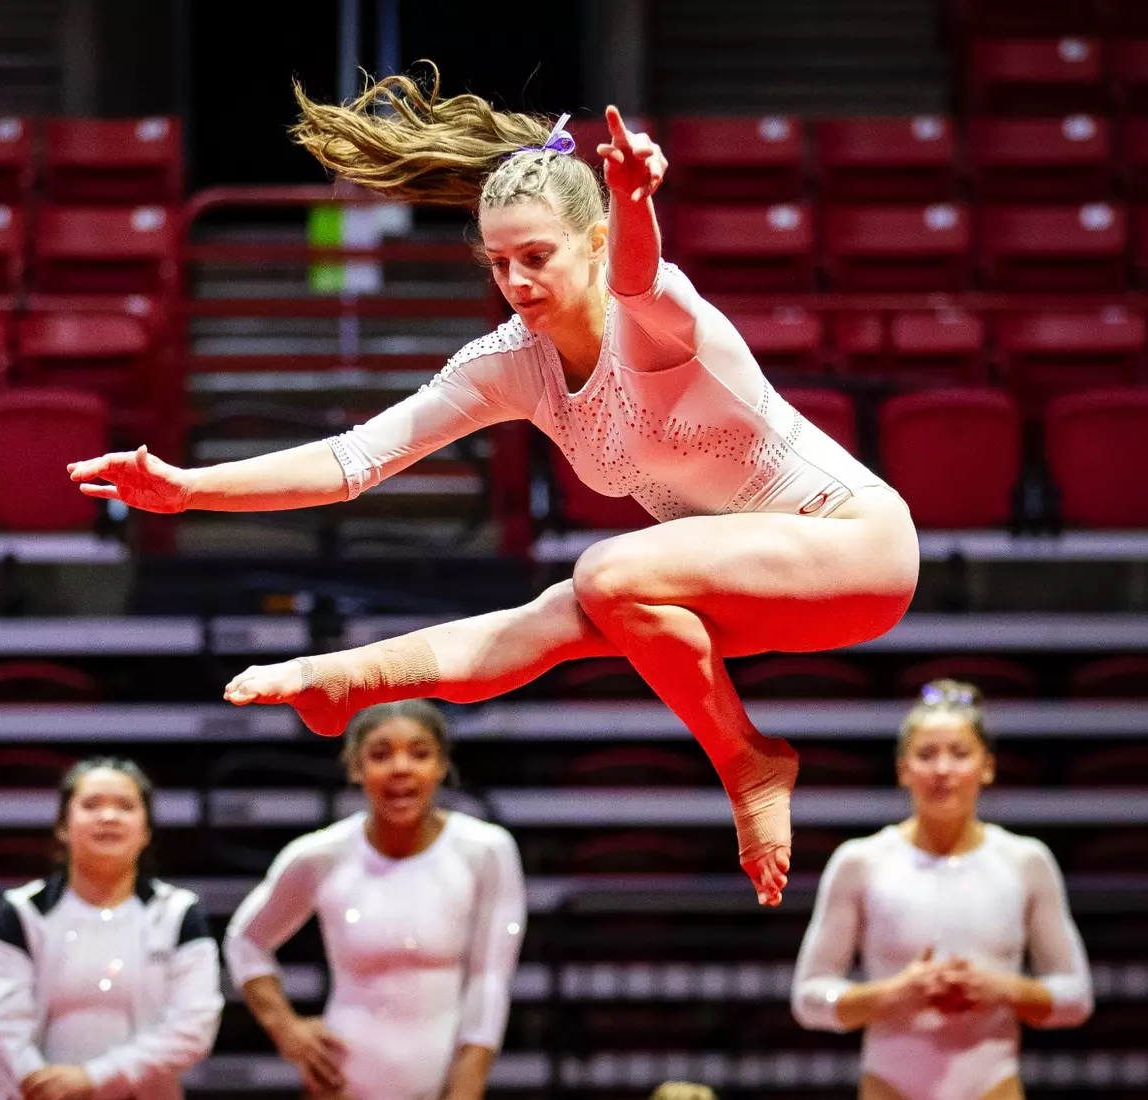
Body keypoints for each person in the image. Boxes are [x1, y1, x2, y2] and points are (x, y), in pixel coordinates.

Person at [67, 66, 919, 906]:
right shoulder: (511, 364)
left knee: (606, 576)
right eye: (500, 263)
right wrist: (188, 490)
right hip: (741, 589)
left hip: (856, 549)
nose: (516, 283)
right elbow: (351, 460)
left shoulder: (656, 321)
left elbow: (638, 273)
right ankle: (352, 678)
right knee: (557, 616)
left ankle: (747, 764)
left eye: (538, 257)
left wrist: (633, 200)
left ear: (592, 242)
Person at [791, 680, 1093, 1100]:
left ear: (987, 766)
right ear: (903, 769)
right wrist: (896, 993)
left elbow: (1076, 996)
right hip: (888, 1087)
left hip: (994, 1086)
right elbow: (809, 998)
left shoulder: (1025, 862)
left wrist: (1002, 989)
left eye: (960, 753)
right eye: (926, 754)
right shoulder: (861, 862)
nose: (942, 769)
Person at [224, 700, 526, 1100]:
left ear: (441, 766)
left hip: (443, 1084)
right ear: (355, 768)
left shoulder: (485, 851)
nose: (401, 768)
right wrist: (286, 1028)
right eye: (381, 755)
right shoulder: (320, 855)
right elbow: (245, 940)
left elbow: (489, 980)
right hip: (341, 1084)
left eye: (420, 754)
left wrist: (467, 1086)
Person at [0, 757, 222, 1100]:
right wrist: (41, 1084)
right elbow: (2, 1025)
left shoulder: (178, 913)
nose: (108, 817)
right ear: (62, 826)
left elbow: (193, 1028)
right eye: (91, 805)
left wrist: (92, 1078)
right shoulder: (22, 911)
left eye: (125, 806)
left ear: (146, 830)